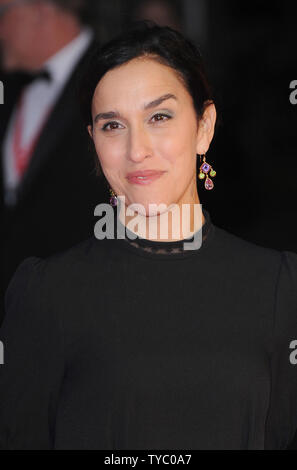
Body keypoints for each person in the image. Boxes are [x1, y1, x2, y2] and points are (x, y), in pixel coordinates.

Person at [0, 21, 297, 450]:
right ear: (94, 141)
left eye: (159, 116)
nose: (136, 149)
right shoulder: (46, 293)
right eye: (112, 125)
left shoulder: (280, 288)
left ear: (204, 127)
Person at [0, 0, 109, 323]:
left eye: (3, 14)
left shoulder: (114, 76)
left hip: (84, 314)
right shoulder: (10, 85)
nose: (0, 30)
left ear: (41, 10)